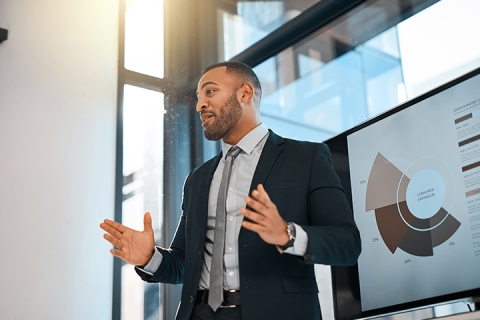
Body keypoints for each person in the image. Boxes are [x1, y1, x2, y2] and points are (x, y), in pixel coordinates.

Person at [101, 61, 361, 320]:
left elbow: (348, 244)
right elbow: (184, 263)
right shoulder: (197, 179)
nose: (199, 105)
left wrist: (287, 233)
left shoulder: (306, 157)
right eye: (198, 97)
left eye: (210, 92)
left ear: (244, 93)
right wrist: (150, 258)